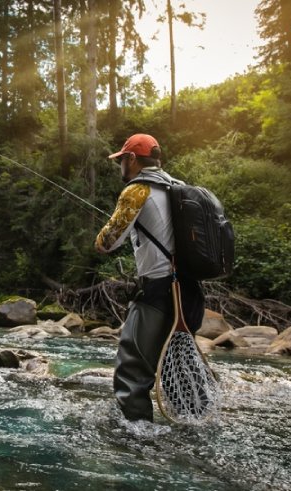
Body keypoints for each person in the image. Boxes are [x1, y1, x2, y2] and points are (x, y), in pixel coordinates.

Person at [94, 133, 205, 422]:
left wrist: (102, 238)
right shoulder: (180, 187)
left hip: (158, 293)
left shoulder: (137, 190)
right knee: (178, 369)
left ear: (132, 159)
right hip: (191, 294)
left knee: (132, 369)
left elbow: (108, 242)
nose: (120, 166)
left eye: (122, 160)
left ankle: (135, 440)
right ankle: (195, 428)